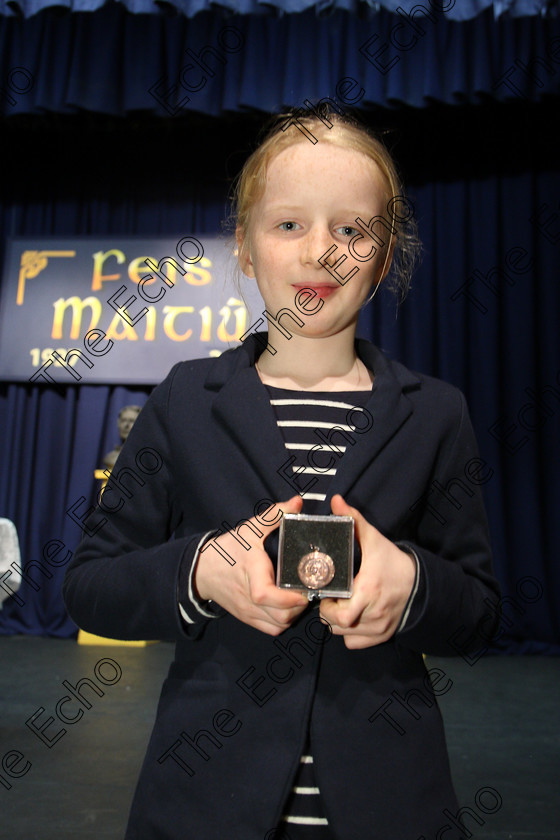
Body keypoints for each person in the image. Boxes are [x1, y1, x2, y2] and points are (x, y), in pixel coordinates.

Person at [63, 109, 501, 840]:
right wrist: (200, 572)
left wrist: (413, 585)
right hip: (202, 802)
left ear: (385, 255)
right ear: (243, 246)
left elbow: (480, 611)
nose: (321, 253)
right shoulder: (184, 399)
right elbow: (90, 587)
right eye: (289, 225)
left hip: (391, 803)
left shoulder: (437, 415)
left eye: (352, 230)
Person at [103, 405, 143, 469]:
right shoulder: (111, 456)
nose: (126, 425)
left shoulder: (145, 458)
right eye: (123, 420)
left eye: (132, 421)